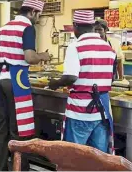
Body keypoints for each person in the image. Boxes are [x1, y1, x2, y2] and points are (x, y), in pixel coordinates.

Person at [0, 0, 50, 171]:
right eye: (38, 15)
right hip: (16, 78)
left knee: (1, 125)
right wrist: (43, 56)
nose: (38, 19)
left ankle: (0, 168)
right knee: (18, 127)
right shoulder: (27, 27)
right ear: (32, 12)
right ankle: (20, 168)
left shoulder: (4, 28)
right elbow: (29, 57)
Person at [49, 10, 117, 154]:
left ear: (75, 26)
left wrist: (55, 83)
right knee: (98, 158)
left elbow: (71, 77)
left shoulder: (76, 46)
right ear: (93, 25)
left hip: (80, 111)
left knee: (73, 157)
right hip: (102, 112)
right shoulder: (108, 48)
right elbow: (110, 78)